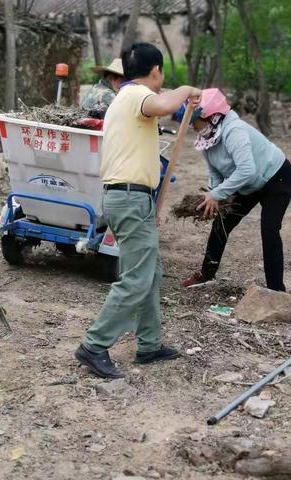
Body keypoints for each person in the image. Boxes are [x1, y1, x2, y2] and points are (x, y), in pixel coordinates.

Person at [74, 43, 201, 379]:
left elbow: (163, 106)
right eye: (161, 74)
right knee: (137, 278)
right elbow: (162, 104)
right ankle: (94, 344)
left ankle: (149, 344)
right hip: (129, 198)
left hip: (130, 198)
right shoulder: (136, 96)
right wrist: (187, 89)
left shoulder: (124, 98)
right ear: (155, 70)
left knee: (150, 272)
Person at [175, 88, 291, 291]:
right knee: (221, 223)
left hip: (276, 177)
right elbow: (215, 171)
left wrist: (218, 194)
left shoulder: (233, 131)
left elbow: (247, 169)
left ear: (211, 116)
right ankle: (206, 274)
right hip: (248, 182)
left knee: (270, 229)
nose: (193, 126)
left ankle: (276, 291)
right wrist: (214, 194)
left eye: (194, 121)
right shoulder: (208, 137)